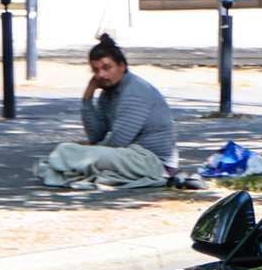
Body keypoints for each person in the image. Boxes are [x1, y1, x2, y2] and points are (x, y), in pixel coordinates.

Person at [35, 36, 195, 190]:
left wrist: (91, 150)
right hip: (131, 156)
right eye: (96, 70)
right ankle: (59, 164)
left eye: (107, 67)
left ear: (122, 66)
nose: (101, 75)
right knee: (73, 152)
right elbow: (96, 135)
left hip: (153, 162)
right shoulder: (108, 93)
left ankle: (57, 165)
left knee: (67, 151)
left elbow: (118, 142)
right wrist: (87, 97)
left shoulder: (134, 92)